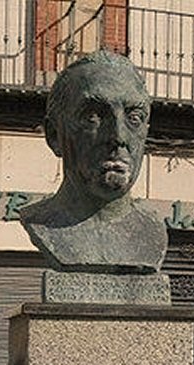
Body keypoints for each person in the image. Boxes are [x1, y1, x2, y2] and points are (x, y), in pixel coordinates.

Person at [20, 50, 167, 274]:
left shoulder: (153, 232)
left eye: (133, 118)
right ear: (54, 135)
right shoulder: (42, 223)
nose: (118, 137)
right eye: (93, 117)